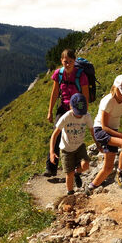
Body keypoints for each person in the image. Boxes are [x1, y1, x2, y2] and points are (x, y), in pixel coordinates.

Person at [87, 74, 122, 192]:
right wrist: (121, 136)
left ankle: (90, 188)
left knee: (108, 168)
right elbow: (104, 126)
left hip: (113, 131)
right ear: (115, 88)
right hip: (101, 130)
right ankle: (120, 175)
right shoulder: (107, 101)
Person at [44, 49, 90, 177]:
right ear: (61, 61)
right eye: (65, 62)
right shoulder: (58, 74)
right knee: (57, 133)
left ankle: (75, 169)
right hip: (63, 106)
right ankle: (51, 168)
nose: (68, 64)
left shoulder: (81, 75)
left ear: (74, 61)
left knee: (74, 135)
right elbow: (54, 94)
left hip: (77, 108)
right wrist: (50, 112)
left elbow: (85, 96)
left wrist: (82, 112)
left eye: (70, 62)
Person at [49, 93, 93, 195]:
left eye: (81, 112)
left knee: (85, 165)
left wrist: (98, 144)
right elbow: (54, 135)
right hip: (66, 149)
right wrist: (52, 152)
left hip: (79, 146)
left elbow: (92, 130)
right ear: (70, 107)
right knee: (69, 174)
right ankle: (70, 193)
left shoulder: (86, 116)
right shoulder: (66, 117)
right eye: (77, 112)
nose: (79, 115)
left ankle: (78, 173)